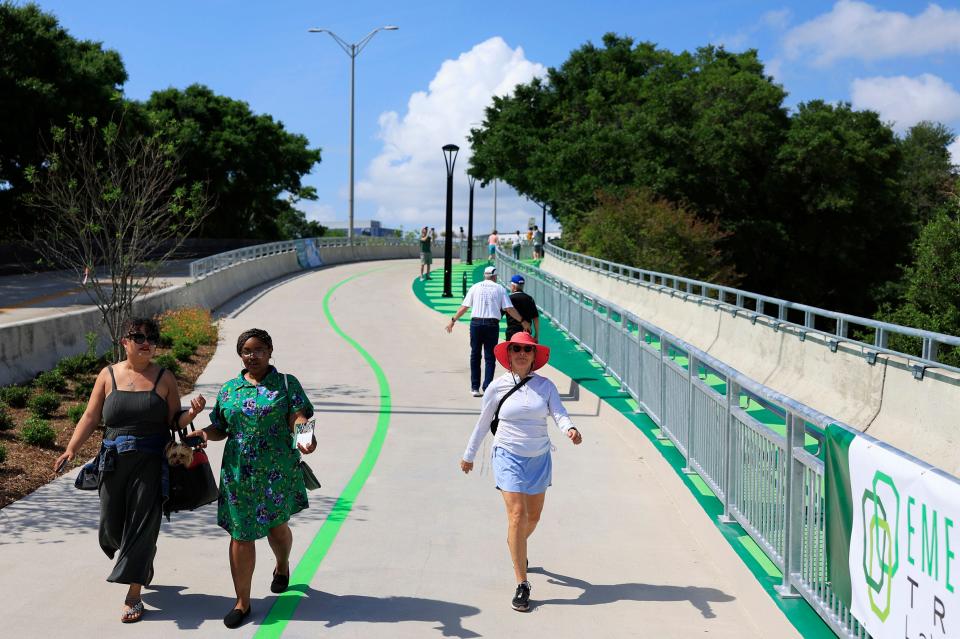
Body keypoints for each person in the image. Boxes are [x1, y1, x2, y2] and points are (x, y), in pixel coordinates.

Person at [53, 317, 206, 624]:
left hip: (150, 463)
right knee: (110, 526)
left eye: (152, 337)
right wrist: (71, 448)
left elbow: (174, 420)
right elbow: (90, 416)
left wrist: (192, 412)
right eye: (138, 336)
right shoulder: (108, 375)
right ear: (125, 341)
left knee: (142, 524)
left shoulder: (165, 378)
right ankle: (141, 560)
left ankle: (133, 593)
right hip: (113, 461)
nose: (146, 342)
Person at [188, 328, 318, 628]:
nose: (253, 355)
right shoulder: (230, 390)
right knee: (241, 535)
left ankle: (282, 565)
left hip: (276, 472)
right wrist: (203, 434)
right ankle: (242, 602)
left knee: (277, 528)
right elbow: (220, 426)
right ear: (240, 355)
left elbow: (299, 417)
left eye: (259, 349)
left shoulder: (286, 384)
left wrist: (305, 438)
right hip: (238, 475)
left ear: (270, 351)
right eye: (246, 350)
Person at [459, 332, 582, 612]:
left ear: (534, 355)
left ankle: (518, 547)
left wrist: (570, 429)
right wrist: (469, 455)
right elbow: (483, 423)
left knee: (533, 516)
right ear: (509, 354)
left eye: (527, 349)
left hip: (539, 458)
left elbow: (559, 413)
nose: (522, 353)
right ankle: (522, 583)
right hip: (507, 455)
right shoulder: (497, 387)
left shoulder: (546, 386)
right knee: (517, 515)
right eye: (516, 349)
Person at [446, 265, 529, 396]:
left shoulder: (475, 287)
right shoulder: (499, 288)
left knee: (475, 355)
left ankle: (474, 387)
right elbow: (509, 309)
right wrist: (522, 320)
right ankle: (487, 387)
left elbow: (464, 306)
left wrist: (453, 320)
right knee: (490, 357)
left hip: (476, 324)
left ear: (485, 275)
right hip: (491, 325)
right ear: (494, 276)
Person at [504, 274, 540, 342]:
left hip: (512, 332)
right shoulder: (529, 299)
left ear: (513, 286)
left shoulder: (509, 299)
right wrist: (536, 335)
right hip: (526, 332)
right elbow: (535, 318)